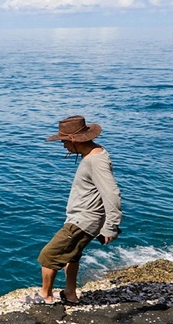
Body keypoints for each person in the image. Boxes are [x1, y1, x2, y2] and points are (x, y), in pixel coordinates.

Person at [28, 115, 122, 306]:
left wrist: (111, 227)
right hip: (83, 217)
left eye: (64, 141)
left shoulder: (96, 161)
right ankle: (70, 294)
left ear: (73, 140)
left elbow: (112, 193)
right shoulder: (95, 154)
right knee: (72, 255)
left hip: (83, 220)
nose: (63, 146)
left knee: (48, 256)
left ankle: (45, 296)